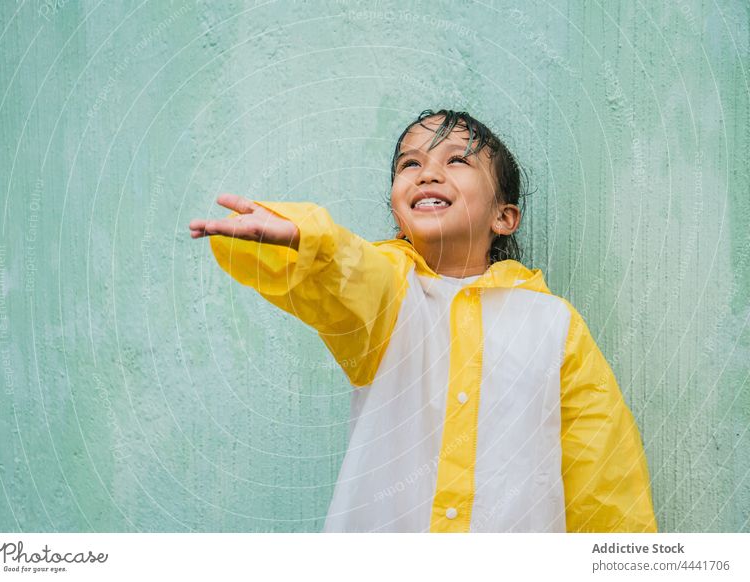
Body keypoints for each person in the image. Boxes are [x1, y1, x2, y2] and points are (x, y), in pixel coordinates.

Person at [189, 109, 657, 533]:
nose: (427, 172)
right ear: (397, 215)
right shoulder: (387, 295)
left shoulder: (553, 326)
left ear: (504, 216)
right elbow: (341, 269)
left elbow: (601, 475)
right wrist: (303, 238)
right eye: (409, 164)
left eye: (457, 160)